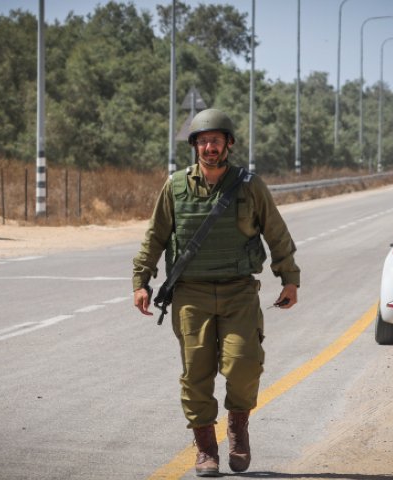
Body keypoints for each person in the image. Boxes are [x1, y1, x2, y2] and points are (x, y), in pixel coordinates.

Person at [132, 108, 300, 477]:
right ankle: (206, 448)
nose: (210, 147)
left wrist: (289, 277)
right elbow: (155, 236)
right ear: (194, 146)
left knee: (244, 364)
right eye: (203, 141)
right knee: (196, 373)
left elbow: (276, 232)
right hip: (190, 295)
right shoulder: (175, 186)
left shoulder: (249, 185)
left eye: (216, 140)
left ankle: (238, 429)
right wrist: (141, 281)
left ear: (229, 144)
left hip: (239, 291)